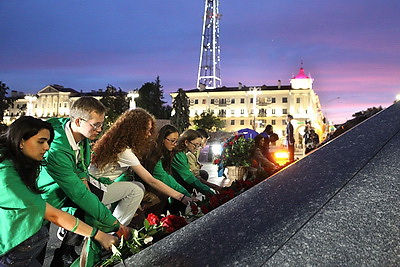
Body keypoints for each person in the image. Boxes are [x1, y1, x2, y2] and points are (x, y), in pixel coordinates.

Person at [0, 116, 118, 267]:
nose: (47, 147)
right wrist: (99, 234)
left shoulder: (18, 162)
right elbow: (52, 214)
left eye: (48, 142)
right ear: (21, 141)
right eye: (41, 142)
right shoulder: (6, 175)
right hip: (10, 249)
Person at [37, 97, 128, 266]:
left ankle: (66, 255)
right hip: (39, 204)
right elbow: (78, 193)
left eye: (102, 124)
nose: (100, 129)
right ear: (78, 121)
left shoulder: (81, 137)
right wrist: (114, 224)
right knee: (33, 253)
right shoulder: (56, 149)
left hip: (55, 198)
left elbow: (81, 175)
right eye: (96, 125)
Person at [89, 109, 192, 222]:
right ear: (134, 130)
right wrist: (181, 197)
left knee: (138, 186)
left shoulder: (118, 145)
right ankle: (118, 228)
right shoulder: (124, 151)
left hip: (98, 186)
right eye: (146, 130)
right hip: (94, 190)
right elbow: (151, 180)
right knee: (136, 190)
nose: (148, 134)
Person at [143, 124, 192, 216]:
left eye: (176, 141)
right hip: (141, 186)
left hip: (150, 185)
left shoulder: (167, 153)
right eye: (172, 141)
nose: (175, 144)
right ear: (162, 139)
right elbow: (163, 177)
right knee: (162, 194)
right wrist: (184, 195)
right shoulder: (153, 155)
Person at [171, 129, 215, 212]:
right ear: (186, 142)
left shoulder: (183, 153)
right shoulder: (178, 155)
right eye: (195, 145)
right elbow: (188, 177)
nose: (197, 148)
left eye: (199, 145)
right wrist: (210, 193)